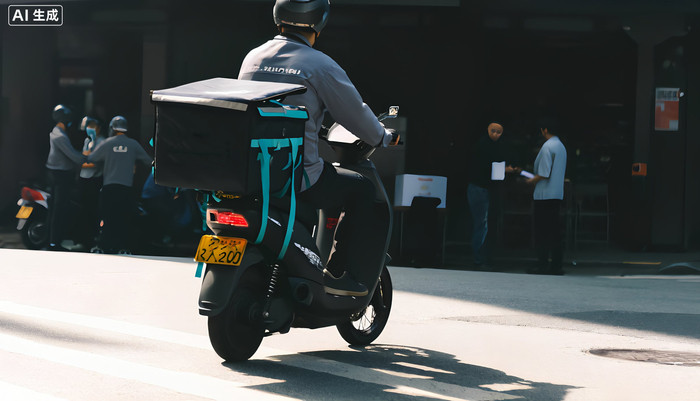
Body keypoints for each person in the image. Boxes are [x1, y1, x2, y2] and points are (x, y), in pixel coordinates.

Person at [238, 0, 399, 297]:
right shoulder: (319, 64)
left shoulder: (253, 58)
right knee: (363, 191)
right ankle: (339, 275)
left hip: (252, 173)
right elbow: (354, 113)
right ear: (319, 23)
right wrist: (383, 137)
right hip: (296, 178)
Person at [88, 116, 152, 254]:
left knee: (107, 217)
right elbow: (148, 161)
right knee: (123, 218)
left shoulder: (107, 143)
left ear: (112, 128)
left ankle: (105, 245)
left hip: (109, 187)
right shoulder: (133, 144)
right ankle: (122, 247)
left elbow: (92, 158)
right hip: (126, 188)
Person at [467, 121, 520, 268]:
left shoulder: (491, 145)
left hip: (482, 188)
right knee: (482, 223)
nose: (495, 134)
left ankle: (482, 257)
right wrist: (505, 169)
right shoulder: (483, 146)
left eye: (498, 132)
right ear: (487, 130)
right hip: (481, 188)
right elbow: (486, 166)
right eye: (493, 131)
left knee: (482, 223)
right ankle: (480, 258)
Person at [526, 117, 568, 275]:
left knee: (542, 231)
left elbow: (544, 173)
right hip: (556, 193)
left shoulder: (547, 147)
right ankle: (556, 265)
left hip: (544, 195)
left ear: (544, 130)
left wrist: (531, 180)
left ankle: (542, 264)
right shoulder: (561, 146)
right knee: (554, 231)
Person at [45, 104, 87, 251]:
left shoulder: (58, 133)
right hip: (60, 176)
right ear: (65, 119)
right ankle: (54, 243)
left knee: (55, 208)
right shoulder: (60, 136)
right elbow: (73, 156)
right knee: (59, 209)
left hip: (57, 174)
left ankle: (51, 241)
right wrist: (87, 157)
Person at [77, 116, 105, 248]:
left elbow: (95, 161)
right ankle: (84, 239)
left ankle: (93, 238)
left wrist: (86, 160)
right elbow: (84, 157)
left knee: (93, 209)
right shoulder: (87, 140)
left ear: (99, 128)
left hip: (95, 180)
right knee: (83, 209)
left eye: (93, 126)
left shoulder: (102, 142)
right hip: (84, 179)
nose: (91, 129)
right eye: (89, 126)